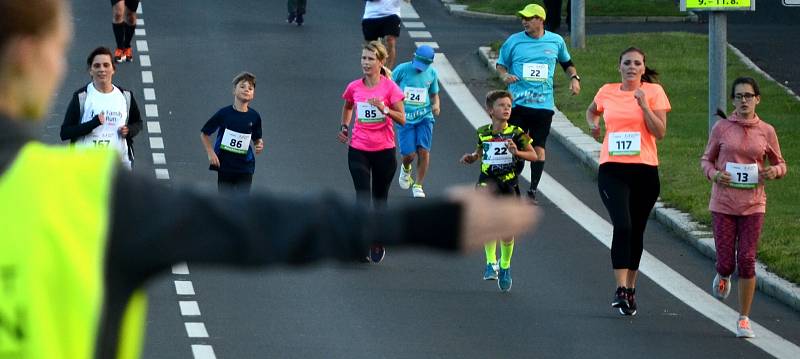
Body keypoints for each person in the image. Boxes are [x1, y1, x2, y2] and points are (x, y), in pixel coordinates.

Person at [0, 1, 540, 357]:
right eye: (58, 49)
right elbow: (260, 225)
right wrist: (429, 223)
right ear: (27, 57)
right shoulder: (84, 193)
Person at [585, 47, 670, 316]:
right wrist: (593, 124)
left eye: (637, 63)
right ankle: (620, 288)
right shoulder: (607, 90)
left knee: (636, 231)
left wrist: (644, 105)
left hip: (645, 170)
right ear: (619, 66)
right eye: (627, 63)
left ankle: (631, 288)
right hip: (612, 169)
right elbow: (592, 110)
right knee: (622, 225)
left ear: (644, 68)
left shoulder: (654, 93)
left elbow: (660, 132)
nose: (632, 67)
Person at [700, 77, 787, 338]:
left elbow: (781, 163)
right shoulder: (722, 128)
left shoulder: (767, 131)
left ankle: (744, 318)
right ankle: (722, 274)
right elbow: (706, 160)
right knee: (727, 262)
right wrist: (714, 175)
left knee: (747, 260)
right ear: (733, 100)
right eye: (738, 96)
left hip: (753, 204)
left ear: (757, 99)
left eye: (748, 96)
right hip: (724, 203)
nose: (744, 101)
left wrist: (775, 171)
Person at [496, 3, 581, 203]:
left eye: (529, 18)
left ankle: (532, 191)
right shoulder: (514, 41)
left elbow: (567, 63)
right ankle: (512, 186)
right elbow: (501, 65)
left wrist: (575, 78)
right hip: (517, 105)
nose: (524, 21)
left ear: (540, 20)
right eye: (523, 18)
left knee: (539, 147)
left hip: (543, 106)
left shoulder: (556, 41)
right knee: (515, 146)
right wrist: (505, 75)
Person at [460, 90, 537, 292]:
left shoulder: (517, 132)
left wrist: (516, 152)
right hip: (487, 181)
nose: (506, 109)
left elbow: (534, 156)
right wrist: (472, 157)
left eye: (509, 106)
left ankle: (505, 266)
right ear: (490, 110)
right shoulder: (482, 132)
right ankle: (490, 263)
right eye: (502, 105)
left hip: (509, 183)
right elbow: (479, 152)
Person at [339, 41, 405, 263]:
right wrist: (344, 127)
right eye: (363, 58)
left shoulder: (390, 88)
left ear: (381, 61)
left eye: (370, 59)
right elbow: (348, 106)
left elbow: (402, 119)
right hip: (358, 148)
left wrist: (384, 109)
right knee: (362, 197)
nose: (365, 63)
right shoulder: (354, 87)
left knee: (379, 199)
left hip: (384, 151)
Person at [60, 46, 142, 170]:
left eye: (106, 65)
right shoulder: (82, 97)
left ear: (113, 69)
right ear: (90, 71)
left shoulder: (125, 96)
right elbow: (65, 132)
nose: (102, 69)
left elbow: (138, 123)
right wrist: (93, 124)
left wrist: (129, 130)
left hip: (119, 166)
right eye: (97, 66)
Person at [200, 72, 265, 194]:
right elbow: (204, 133)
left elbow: (257, 138)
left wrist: (259, 144)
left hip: (246, 167)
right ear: (234, 91)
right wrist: (210, 153)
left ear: (253, 95)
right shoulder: (224, 114)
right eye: (242, 86)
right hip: (225, 166)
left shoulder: (254, 116)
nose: (246, 90)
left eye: (250, 88)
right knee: (225, 202)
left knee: (243, 202)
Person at [392, 45, 440, 198]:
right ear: (413, 56)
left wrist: (436, 104)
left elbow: (434, 94)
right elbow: (388, 86)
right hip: (405, 118)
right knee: (409, 155)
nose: (420, 69)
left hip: (425, 116)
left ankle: (418, 184)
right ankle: (406, 168)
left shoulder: (432, 73)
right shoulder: (402, 69)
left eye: (424, 66)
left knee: (424, 150)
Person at [362, 0, 408, 69]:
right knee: (371, 46)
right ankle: (373, 70)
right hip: (371, 15)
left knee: (390, 40)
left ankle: (387, 72)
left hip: (392, 14)